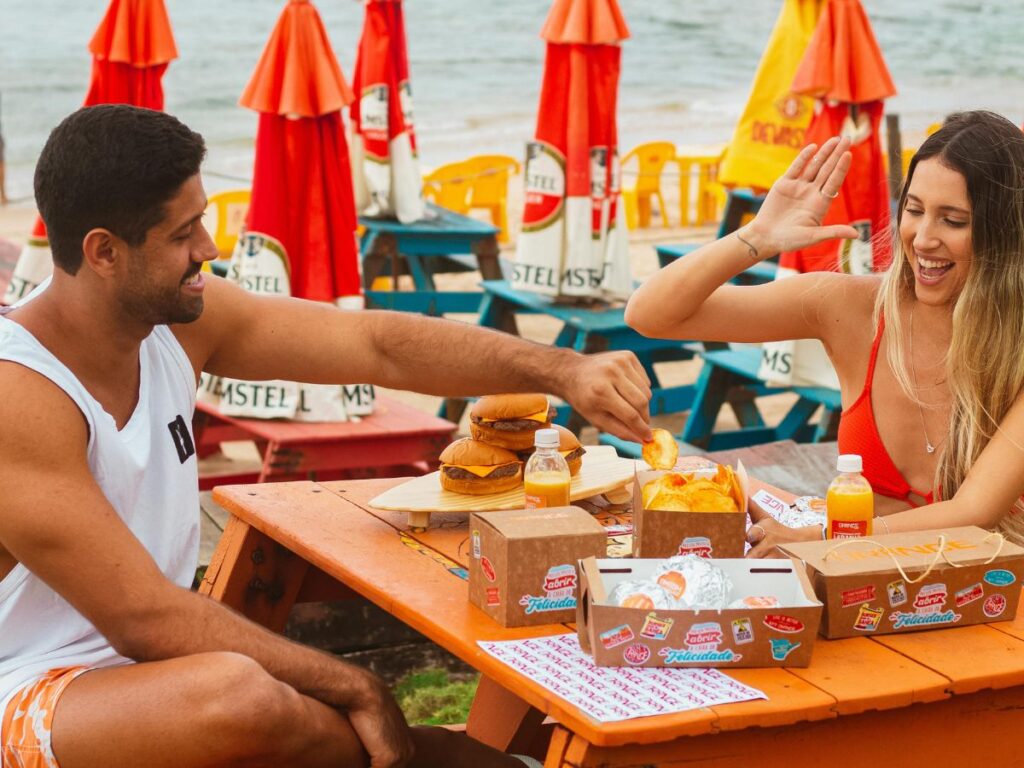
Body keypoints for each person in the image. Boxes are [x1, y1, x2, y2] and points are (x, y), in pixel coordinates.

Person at [0, 105, 653, 768]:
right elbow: (144, 617)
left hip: (140, 680)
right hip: (25, 691)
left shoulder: (179, 322)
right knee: (239, 698)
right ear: (104, 252)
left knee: (246, 691)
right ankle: (442, 760)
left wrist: (561, 369)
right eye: (184, 232)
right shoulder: (19, 391)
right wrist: (359, 684)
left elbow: (377, 348)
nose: (210, 248)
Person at [625, 110, 1024, 557]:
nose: (923, 238)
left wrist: (821, 538)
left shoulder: (1017, 347)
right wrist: (758, 236)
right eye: (913, 210)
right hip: (855, 588)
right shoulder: (853, 308)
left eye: (953, 221)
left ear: (1004, 233)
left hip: (993, 597)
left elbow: (974, 510)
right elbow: (651, 314)